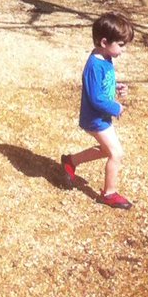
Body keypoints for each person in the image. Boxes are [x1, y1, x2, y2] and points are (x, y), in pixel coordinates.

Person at [61, 11, 135, 209]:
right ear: (104, 42)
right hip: (95, 118)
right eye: (120, 45)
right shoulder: (95, 65)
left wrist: (115, 87)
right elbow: (95, 98)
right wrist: (115, 107)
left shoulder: (105, 59)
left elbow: (103, 86)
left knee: (105, 150)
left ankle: (70, 161)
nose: (123, 50)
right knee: (116, 153)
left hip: (100, 117)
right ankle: (109, 194)